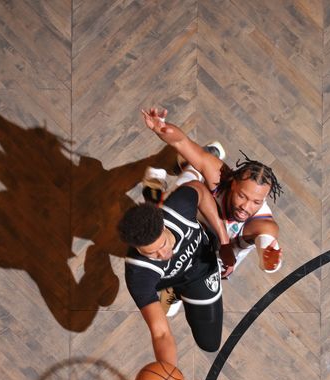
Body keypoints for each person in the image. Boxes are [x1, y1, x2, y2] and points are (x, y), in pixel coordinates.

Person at [140, 107, 284, 277]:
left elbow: (267, 245)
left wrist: (270, 261)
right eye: (242, 196)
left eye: (256, 202)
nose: (246, 206)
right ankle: (184, 171)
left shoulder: (262, 224)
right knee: (183, 194)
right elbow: (181, 142)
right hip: (195, 213)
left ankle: (197, 161)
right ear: (232, 184)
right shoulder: (221, 176)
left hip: (214, 253)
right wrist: (162, 129)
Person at [118, 180, 236, 366]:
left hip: (201, 269)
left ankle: (175, 177)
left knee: (210, 343)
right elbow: (160, 333)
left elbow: (199, 188)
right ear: (137, 248)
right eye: (152, 253)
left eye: (163, 244)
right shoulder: (138, 274)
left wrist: (225, 241)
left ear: (163, 226)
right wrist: (168, 371)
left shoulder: (178, 207)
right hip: (161, 278)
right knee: (148, 288)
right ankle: (174, 290)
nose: (163, 254)